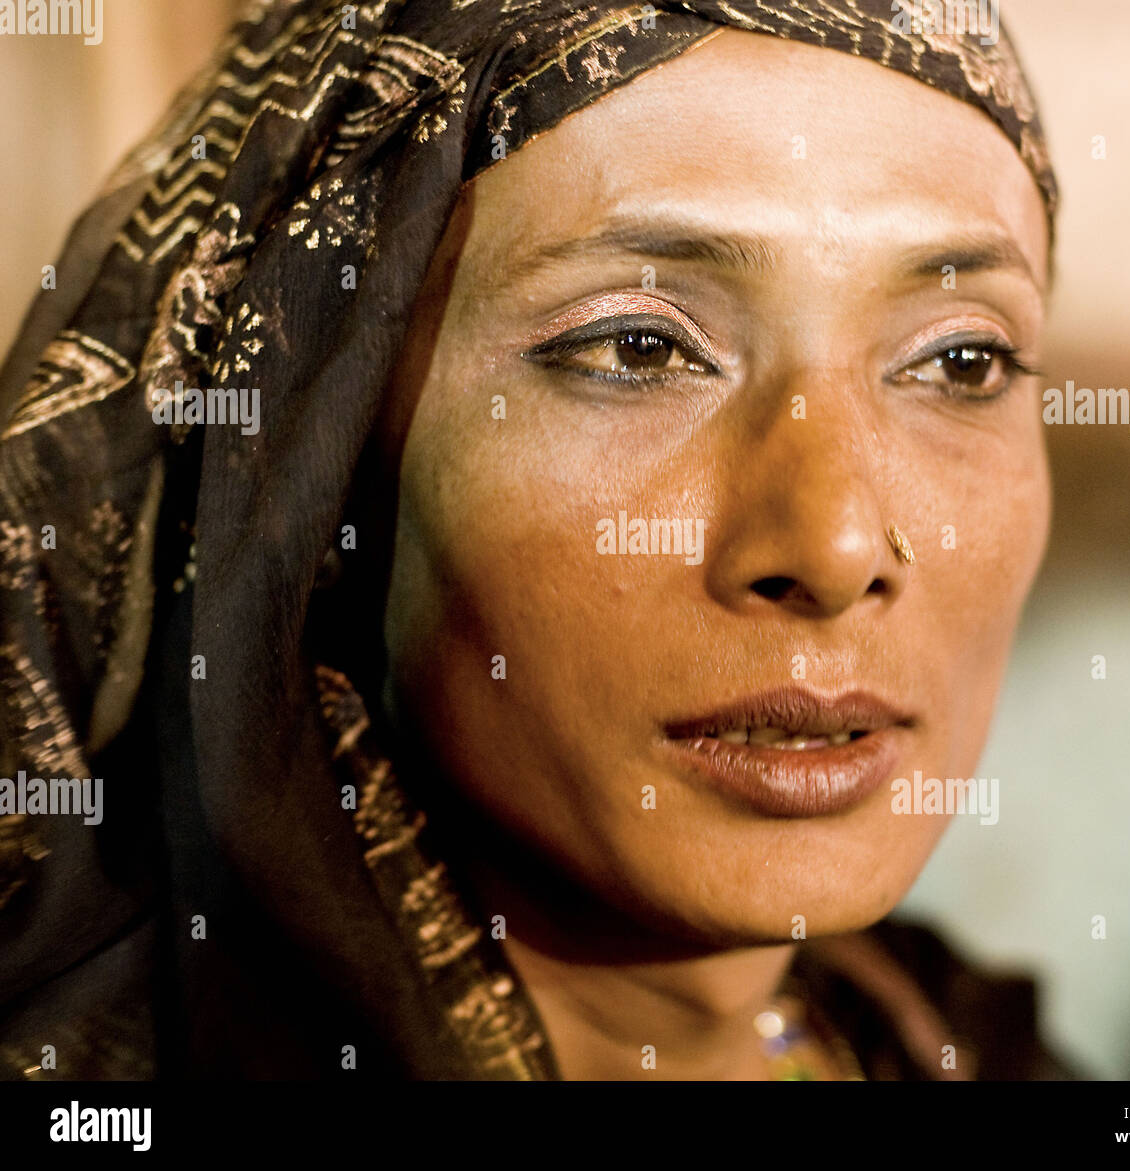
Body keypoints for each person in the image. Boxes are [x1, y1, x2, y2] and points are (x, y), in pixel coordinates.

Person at [0, 0, 1069, 1080]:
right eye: (640, 346)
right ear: (318, 446)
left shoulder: (967, 1048)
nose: (838, 547)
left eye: (962, 362)